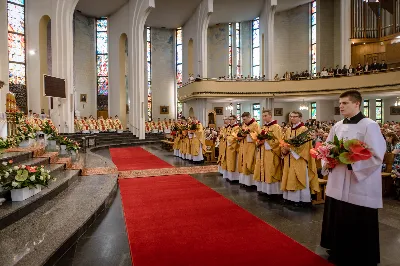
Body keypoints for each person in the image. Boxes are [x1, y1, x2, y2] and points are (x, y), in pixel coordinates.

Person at [320, 90, 386, 265]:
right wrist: (328, 157)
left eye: (345, 103)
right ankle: (337, 249)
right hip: (338, 179)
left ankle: (358, 254)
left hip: (357, 181)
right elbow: (327, 146)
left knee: (354, 216)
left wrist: (351, 162)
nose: (341, 106)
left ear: (357, 104)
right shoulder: (338, 125)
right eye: (340, 103)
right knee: (338, 214)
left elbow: (376, 154)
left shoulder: (369, 125)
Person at [281, 111, 319, 206]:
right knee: (289, 177)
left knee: (299, 177)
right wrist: (284, 148)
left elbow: (306, 145)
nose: (292, 118)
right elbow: (283, 141)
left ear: (300, 118)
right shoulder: (288, 130)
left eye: (295, 116)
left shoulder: (304, 129)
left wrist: (291, 149)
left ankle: (301, 199)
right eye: (291, 116)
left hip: (299, 158)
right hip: (289, 157)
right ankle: (289, 198)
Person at [253, 110, 283, 197]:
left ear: (270, 116)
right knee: (262, 169)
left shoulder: (276, 127)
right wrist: (259, 141)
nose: (264, 118)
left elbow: (279, 140)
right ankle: (264, 189)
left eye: (265, 116)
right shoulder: (264, 127)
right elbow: (258, 138)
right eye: (263, 116)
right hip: (262, 152)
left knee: (270, 169)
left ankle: (273, 191)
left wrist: (266, 142)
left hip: (271, 152)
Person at [238, 112, 260, 187]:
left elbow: (258, 134)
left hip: (251, 146)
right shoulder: (244, 125)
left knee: (251, 162)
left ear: (249, 117)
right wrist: (241, 135)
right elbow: (241, 133)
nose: (244, 121)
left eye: (245, 119)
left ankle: (252, 183)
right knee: (244, 162)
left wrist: (249, 134)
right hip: (244, 146)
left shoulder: (255, 124)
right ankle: (245, 182)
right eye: (243, 119)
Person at [224, 115, 240, 181]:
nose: (230, 121)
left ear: (235, 119)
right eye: (229, 119)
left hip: (233, 147)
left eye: (231, 119)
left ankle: (234, 177)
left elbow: (234, 137)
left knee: (233, 161)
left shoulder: (237, 128)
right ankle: (229, 176)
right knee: (228, 160)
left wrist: (227, 137)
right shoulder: (229, 127)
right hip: (228, 146)